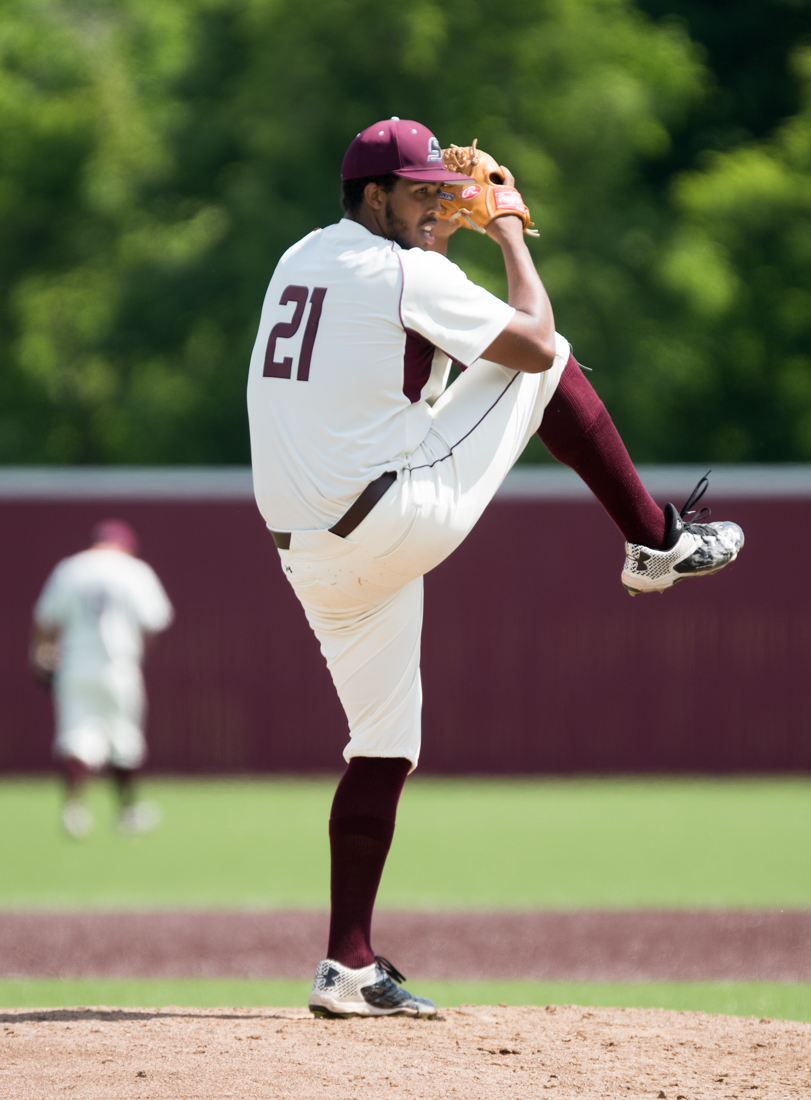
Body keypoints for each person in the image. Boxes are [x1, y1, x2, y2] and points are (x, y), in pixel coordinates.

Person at [246, 118, 745, 1019]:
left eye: (445, 190)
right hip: (386, 520)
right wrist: (507, 226)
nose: (439, 201)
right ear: (371, 197)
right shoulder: (404, 269)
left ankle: (347, 966)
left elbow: (391, 350)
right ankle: (657, 538)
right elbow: (534, 336)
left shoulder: (299, 258)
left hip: (310, 557)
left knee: (385, 745)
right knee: (544, 366)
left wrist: (438, 224)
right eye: (421, 192)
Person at [31, 519, 174, 838]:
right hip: (118, 663)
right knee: (123, 737)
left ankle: (74, 811)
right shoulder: (135, 571)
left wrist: (40, 655)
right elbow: (153, 623)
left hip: (75, 663)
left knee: (76, 736)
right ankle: (128, 812)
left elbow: (46, 621)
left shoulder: (70, 569)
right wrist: (137, 654)